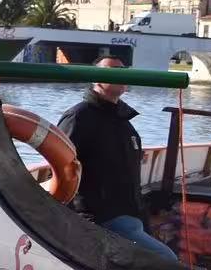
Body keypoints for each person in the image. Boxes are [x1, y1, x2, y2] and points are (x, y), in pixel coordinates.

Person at [57, 57, 178, 259]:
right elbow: (60, 166)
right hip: (100, 220)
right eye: (112, 70)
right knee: (167, 260)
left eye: (123, 70)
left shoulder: (124, 123)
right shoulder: (79, 117)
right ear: (95, 78)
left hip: (132, 218)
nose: (121, 74)